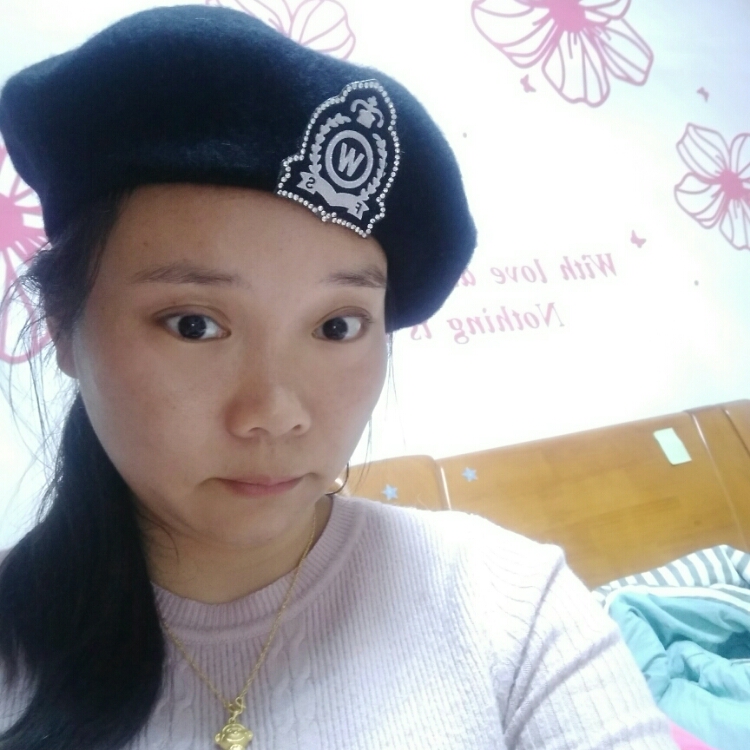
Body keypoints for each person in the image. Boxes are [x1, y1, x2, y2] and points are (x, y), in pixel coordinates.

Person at [0, 5, 679, 750]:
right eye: (194, 324)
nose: (276, 412)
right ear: (62, 327)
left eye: (336, 327)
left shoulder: (509, 608)